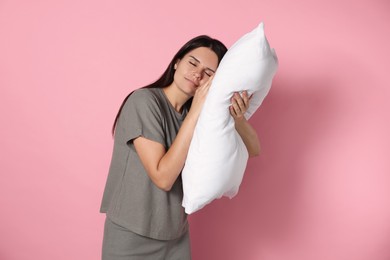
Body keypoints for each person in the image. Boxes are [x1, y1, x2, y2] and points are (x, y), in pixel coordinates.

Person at [100, 35, 260, 260]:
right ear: (177, 62)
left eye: (208, 73)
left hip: (176, 236)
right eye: (192, 63)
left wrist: (239, 120)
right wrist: (195, 112)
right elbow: (163, 177)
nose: (197, 74)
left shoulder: (201, 118)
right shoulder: (144, 102)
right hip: (131, 235)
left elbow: (253, 149)